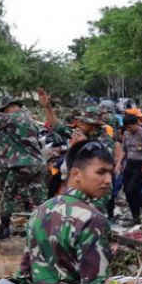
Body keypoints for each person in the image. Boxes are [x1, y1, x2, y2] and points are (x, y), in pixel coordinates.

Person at [18, 140, 137, 284]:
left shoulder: (40, 212)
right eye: (100, 172)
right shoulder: (92, 219)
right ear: (76, 174)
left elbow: (25, 274)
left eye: (111, 173)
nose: (108, 180)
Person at [0, 98, 46, 239]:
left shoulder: (12, 119)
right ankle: (46, 228)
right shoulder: (31, 122)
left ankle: (4, 229)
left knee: (8, 197)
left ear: (11, 108)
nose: (4, 113)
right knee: (40, 200)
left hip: (20, 166)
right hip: (37, 166)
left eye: (4, 110)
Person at [39, 89, 117, 217]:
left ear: (92, 124)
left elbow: (105, 161)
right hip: (80, 183)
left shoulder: (105, 140)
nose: (79, 123)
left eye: (83, 121)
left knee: (93, 216)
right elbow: (57, 126)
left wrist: (85, 144)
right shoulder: (79, 132)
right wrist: (48, 107)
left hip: (97, 185)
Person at [115, 115, 142, 227]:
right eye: (126, 127)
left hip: (141, 164)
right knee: (128, 192)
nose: (128, 129)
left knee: (131, 190)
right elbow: (124, 150)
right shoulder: (126, 134)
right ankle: (136, 217)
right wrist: (119, 162)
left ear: (136, 123)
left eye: (130, 127)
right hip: (129, 164)